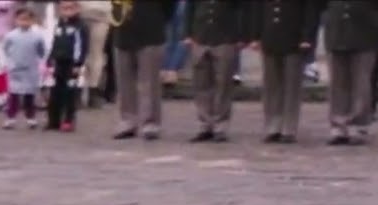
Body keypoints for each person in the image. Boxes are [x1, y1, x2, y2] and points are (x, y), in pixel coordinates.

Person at [247, 0, 321, 143]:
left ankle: (289, 127)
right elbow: (256, 9)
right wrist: (255, 36)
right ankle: (273, 126)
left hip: (294, 37)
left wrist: (307, 37)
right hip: (270, 35)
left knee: (292, 86)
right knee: (271, 86)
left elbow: (310, 11)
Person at [111, 0, 176, 139]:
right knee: (124, 81)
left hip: (150, 29)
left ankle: (150, 122)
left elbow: (169, 6)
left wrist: (158, 19)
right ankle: (127, 120)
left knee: (150, 82)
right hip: (123, 29)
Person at [323, 0, 378, 145]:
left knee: (361, 81)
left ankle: (360, 125)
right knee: (337, 83)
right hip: (336, 30)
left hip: (365, 32)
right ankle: (338, 125)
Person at [184, 0, 246, 143]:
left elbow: (243, 10)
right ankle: (205, 125)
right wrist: (187, 34)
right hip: (200, 36)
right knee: (201, 85)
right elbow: (190, 8)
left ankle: (220, 126)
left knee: (223, 84)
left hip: (225, 37)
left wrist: (242, 36)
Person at [46, 0, 87, 131]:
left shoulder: (80, 26)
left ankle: (68, 120)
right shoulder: (59, 25)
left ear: (78, 9)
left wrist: (78, 63)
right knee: (55, 92)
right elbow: (55, 43)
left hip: (71, 64)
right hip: (59, 63)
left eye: (70, 8)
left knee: (69, 93)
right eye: (64, 8)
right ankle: (53, 120)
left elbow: (82, 47)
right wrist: (50, 59)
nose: (67, 11)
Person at [2, 6, 44, 128]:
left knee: (29, 96)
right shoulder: (11, 36)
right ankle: (10, 118)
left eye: (27, 19)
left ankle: (30, 118)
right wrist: (10, 62)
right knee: (13, 96)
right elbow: (6, 49)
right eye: (21, 19)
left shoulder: (37, 36)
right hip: (15, 70)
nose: (24, 22)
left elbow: (41, 51)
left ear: (32, 20)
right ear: (16, 20)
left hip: (30, 69)